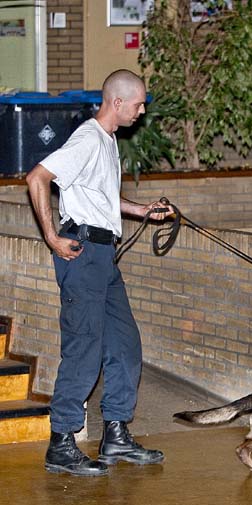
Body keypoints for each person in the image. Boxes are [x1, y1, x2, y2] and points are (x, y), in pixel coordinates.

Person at [26, 69, 172, 477]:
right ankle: (61, 443)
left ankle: (116, 434)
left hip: (104, 257)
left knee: (124, 345)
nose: (142, 111)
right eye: (139, 103)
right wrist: (52, 236)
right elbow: (37, 178)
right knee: (84, 349)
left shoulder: (106, 141)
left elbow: (102, 194)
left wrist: (141, 210)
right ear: (117, 102)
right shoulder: (89, 138)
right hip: (83, 254)